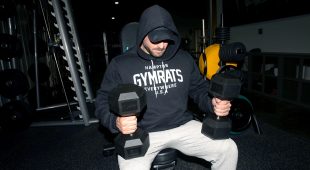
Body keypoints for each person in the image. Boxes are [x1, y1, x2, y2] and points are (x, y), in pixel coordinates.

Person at [95, 4, 238, 170]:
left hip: (182, 125)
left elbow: (199, 89)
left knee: (228, 149)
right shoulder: (120, 64)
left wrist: (212, 103)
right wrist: (115, 122)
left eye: (166, 39)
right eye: (156, 39)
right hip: (142, 132)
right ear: (143, 34)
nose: (162, 45)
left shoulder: (184, 59)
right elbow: (102, 101)